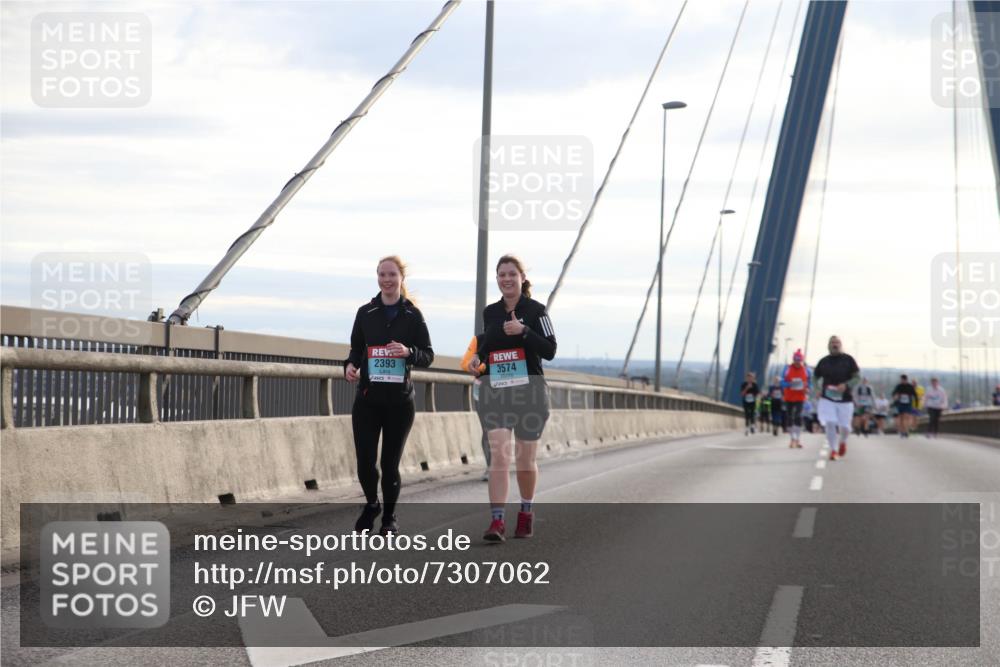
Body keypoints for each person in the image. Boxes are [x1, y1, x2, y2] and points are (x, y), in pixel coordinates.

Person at [345, 256, 434, 536]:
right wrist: (349, 366)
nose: (387, 279)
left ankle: (390, 518)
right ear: (377, 278)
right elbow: (356, 350)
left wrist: (409, 353)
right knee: (365, 462)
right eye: (382, 274)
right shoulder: (365, 312)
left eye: (392, 274)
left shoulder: (412, 315)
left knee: (389, 463)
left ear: (401, 278)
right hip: (368, 399)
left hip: (399, 402)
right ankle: (372, 504)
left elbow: (428, 355)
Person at [470, 255, 556, 543]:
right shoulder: (490, 312)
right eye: (501, 275)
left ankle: (526, 512)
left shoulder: (536, 311)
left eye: (511, 274)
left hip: (529, 393)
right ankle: (497, 521)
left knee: (524, 460)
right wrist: (477, 360)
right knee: (499, 456)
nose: (506, 279)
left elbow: (550, 349)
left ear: (522, 278)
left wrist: (525, 332)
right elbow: (487, 345)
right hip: (497, 392)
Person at [813, 335, 860, 461]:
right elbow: (815, 377)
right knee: (830, 423)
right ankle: (833, 450)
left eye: (837, 342)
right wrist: (817, 389)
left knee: (845, 427)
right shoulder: (824, 361)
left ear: (841, 345)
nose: (835, 345)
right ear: (829, 345)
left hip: (845, 399)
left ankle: (842, 442)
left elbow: (857, 377)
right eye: (833, 343)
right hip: (827, 398)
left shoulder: (848, 360)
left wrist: (846, 385)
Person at [461, 334, 490, 481]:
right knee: (487, 430)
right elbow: (465, 362)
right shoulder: (479, 339)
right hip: (483, 390)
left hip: (510, 390)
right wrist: (483, 367)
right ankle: (490, 467)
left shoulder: (514, 336)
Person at [781, 349, 811, 448]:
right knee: (789, 417)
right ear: (793, 359)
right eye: (795, 360)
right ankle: (792, 439)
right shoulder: (787, 369)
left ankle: (797, 439)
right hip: (789, 396)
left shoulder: (806, 370)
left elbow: (809, 383)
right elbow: (782, 382)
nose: (797, 362)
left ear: (801, 360)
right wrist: (790, 384)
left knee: (798, 416)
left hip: (800, 397)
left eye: (799, 360)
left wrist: (808, 389)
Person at [891, 374, 918, 438]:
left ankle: (906, 431)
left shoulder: (910, 386)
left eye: (902, 380)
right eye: (901, 380)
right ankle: (902, 431)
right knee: (901, 418)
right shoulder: (899, 386)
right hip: (900, 404)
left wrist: (916, 404)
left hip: (908, 404)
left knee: (906, 417)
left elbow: (915, 395)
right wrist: (895, 396)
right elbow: (893, 393)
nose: (901, 381)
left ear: (905, 380)